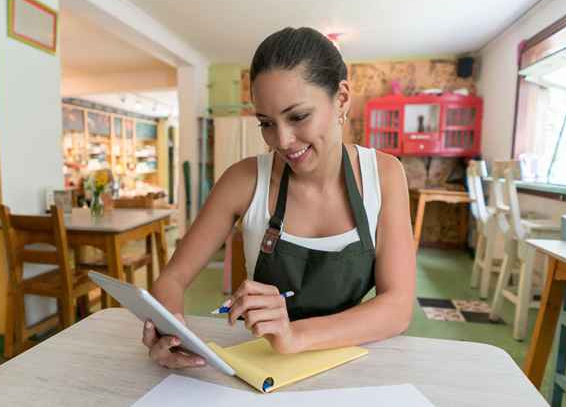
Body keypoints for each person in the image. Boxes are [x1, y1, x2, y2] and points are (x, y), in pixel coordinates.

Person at [142, 27, 416, 369]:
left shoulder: (384, 175)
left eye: (298, 116)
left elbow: (398, 307)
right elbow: (172, 278)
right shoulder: (243, 180)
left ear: (342, 98)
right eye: (266, 123)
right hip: (260, 364)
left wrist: (296, 336)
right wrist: (170, 330)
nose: (282, 140)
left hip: (350, 359)